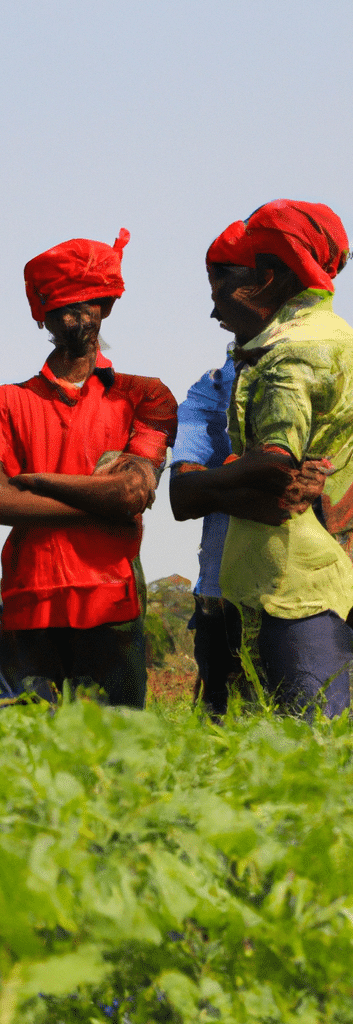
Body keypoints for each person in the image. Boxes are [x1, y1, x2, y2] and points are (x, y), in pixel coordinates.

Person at [0, 229, 177, 709]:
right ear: (42, 316)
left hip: (111, 601)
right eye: (61, 304)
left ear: (107, 305)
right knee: (27, 754)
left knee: (115, 752)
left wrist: (33, 480)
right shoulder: (6, 399)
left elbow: (130, 496)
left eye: (88, 301)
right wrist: (101, 500)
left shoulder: (146, 395)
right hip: (28, 602)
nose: (76, 314)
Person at [171, 200, 353, 718]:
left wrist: (214, 484)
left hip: (292, 586)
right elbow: (197, 492)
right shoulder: (333, 345)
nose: (213, 309)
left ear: (269, 280)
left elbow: (273, 464)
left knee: (299, 748)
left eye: (222, 289)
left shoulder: (286, 355)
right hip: (303, 577)